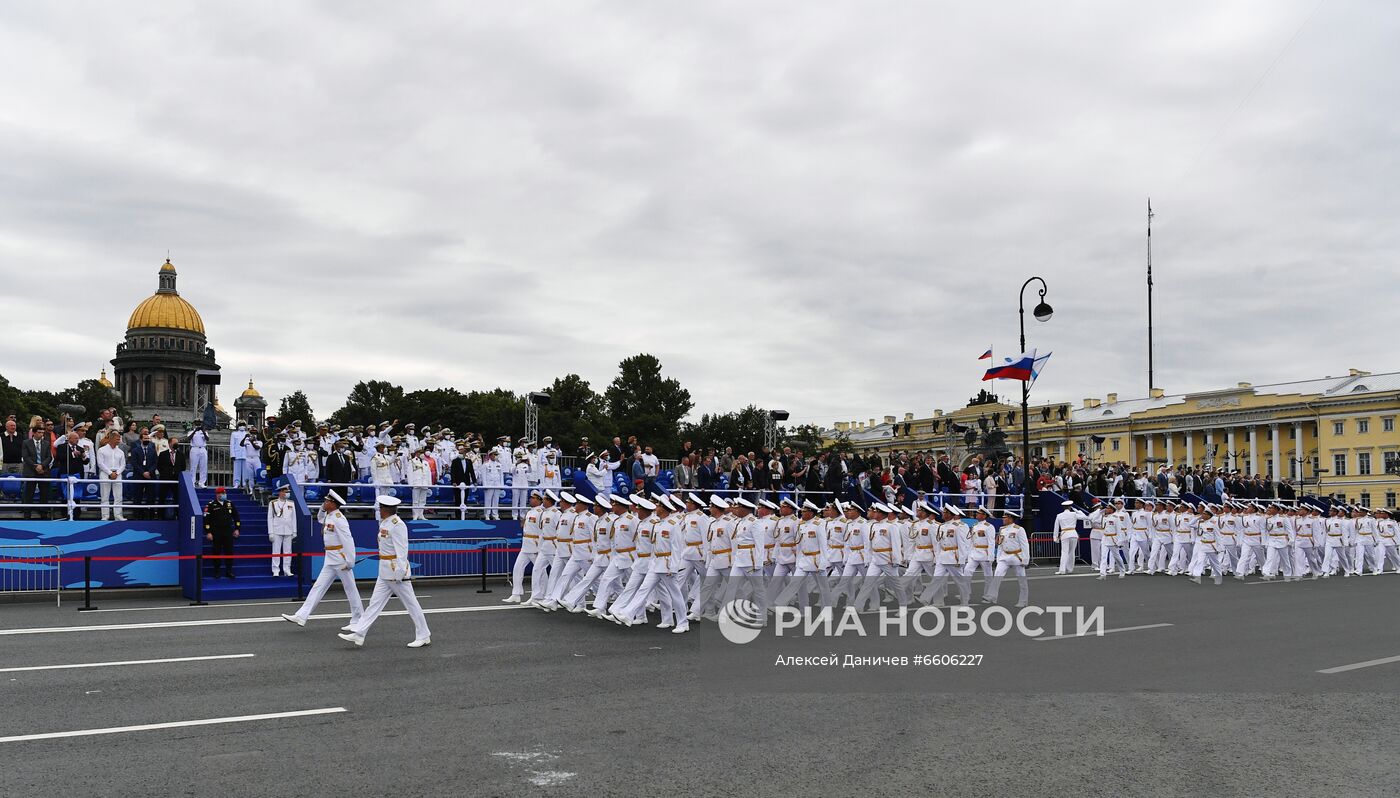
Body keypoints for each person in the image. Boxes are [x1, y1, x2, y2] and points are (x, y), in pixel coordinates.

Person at [338, 496, 432, 648]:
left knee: (411, 604)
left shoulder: (397, 525)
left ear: (386, 509)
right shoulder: (386, 522)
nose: (379, 510)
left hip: (395, 572)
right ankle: (359, 634)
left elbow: (402, 551)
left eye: (381, 508)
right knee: (374, 604)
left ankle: (423, 635)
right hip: (384, 571)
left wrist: (400, 573)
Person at [283, 490, 364, 628]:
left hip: (340, 559)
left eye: (327, 501)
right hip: (330, 559)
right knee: (318, 587)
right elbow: (320, 517)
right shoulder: (329, 516)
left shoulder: (339, 518)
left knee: (350, 589)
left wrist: (350, 562)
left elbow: (348, 540)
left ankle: (359, 620)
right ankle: (302, 616)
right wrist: (323, 507)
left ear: (333, 504)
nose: (324, 503)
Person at [986, 509, 1030, 607]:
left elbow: (1025, 545)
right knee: (997, 574)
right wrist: (998, 558)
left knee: (1021, 580)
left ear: (1010, 518)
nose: (1003, 519)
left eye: (1005, 518)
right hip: (1004, 556)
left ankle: (1023, 601)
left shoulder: (1019, 529)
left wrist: (1025, 559)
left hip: (1016, 556)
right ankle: (992, 595)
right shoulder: (1002, 529)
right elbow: (1000, 544)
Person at [203, 486, 240, 578]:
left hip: (228, 531)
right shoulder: (211, 505)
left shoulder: (229, 504)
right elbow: (206, 520)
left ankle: (229, 571)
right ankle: (217, 571)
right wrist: (208, 532)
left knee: (229, 551)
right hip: (216, 531)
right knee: (216, 551)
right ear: (217, 494)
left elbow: (236, 517)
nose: (223, 495)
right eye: (221, 493)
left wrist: (237, 528)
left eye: (224, 493)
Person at [21, 426, 54, 519]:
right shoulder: (26, 443)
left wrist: (42, 466)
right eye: (39, 432)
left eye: (42, 432)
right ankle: (27, 513)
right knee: (29, 493)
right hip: (31, 471)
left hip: (44, 471)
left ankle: (44, 513)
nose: (41, 434)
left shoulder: (46, 443)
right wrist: (35, 466)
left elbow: (49, 457)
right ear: (34, 433)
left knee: (44, 493)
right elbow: (26, 457)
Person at [96, 432, 127, 521]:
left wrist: (116, 473)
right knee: (104, 496)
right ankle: (105, 516)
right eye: (117, 439)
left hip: (117, 474)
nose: (119, 441)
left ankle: (118, 515)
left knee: (118, 496)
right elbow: (100, 463)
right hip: (105, 474)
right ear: (111, 438)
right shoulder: (102, 450)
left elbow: (123, 464)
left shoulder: (120, 451)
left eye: (119, 439)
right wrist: (110, 473)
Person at [268, 484, 297, 577]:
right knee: (276, 551)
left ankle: (287, 569)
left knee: (288, 551)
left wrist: (294, 531)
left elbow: (293, 518)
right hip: (277, 530)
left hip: (288, 530)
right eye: (285, 492)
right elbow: (270, 518)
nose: (287, 494)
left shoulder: (291, 503)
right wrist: (270, 532)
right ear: (280, 492)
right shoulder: (273, 503)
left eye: (288, 492)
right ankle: (275, 569)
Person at [128, 430, 157, 519]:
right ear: (141, 440)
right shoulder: (135, 450)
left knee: (151, 496)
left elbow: (155, 462)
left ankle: (150, 515)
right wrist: (143, 473)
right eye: (145, 438)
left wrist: (149, 472)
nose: (147, 440)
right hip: (138, 475)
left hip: (150, 476)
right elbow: (134, 463)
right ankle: (137, 514)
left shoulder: (153, 450)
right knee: (137, 496)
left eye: (148, 438)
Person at [1053, 500, 1084, 575]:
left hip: (1065, 534)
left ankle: (1062, 570)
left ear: (1063, 507)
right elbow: (1084, 516)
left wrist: (1055, 537)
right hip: (1073, 534)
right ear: (1070, 507)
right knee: (1072, 552)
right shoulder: (1074, 514)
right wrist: (1077, 510)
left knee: (1064, 552)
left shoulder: (1059, 515)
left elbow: (1056, 527)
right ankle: (1070, 569)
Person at [480, 450, 505, 520]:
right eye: (494, 454)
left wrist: (501, 485)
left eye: (496, 455)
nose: (495, 456)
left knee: (496, 500)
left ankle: (495, 514)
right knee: (488, 500)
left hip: (497, 484)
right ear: (490, 455)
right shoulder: (486, 464)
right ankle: (487, 514)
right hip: (489, 484)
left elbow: (501, 475)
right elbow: (484, 476)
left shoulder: (499, 464)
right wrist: (485, 485)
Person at [187, 422, 209, 488]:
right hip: (194, 449)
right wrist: (195, 431)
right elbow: (188, 439)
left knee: (203, 466)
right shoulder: (191, 432)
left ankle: (202, 482)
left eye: (199, 425)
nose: (198, 426)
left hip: (203, 448)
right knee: (193, 466)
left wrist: (203, 431)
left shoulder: (204, 432)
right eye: (197, 424)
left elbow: (207, 439)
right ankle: (192, 482)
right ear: (194, 425)